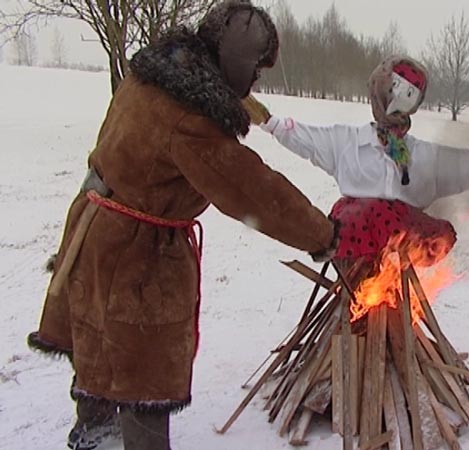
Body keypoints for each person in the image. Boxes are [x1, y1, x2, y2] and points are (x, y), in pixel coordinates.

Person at [27, 2, 337, 449]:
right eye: (255, 66)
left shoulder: (152, 75)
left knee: (99, 332)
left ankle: (93, 427)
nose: (256, 79)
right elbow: (253, 191)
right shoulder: (190, 118)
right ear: (232, 59)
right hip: (136, 250)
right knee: (141, 364)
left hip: (96, 221)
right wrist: (322, 235)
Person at [244, 55, 469, 265]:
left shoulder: (420, 154)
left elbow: (461, 165)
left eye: (410, 95)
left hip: (404, 236)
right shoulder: (347, 141)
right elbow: (306, 138)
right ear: (380, 90)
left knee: (434, 233)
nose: (400, 102)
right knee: (369, 220)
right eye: (396, 90)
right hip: (354, 228)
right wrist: (269, 122)